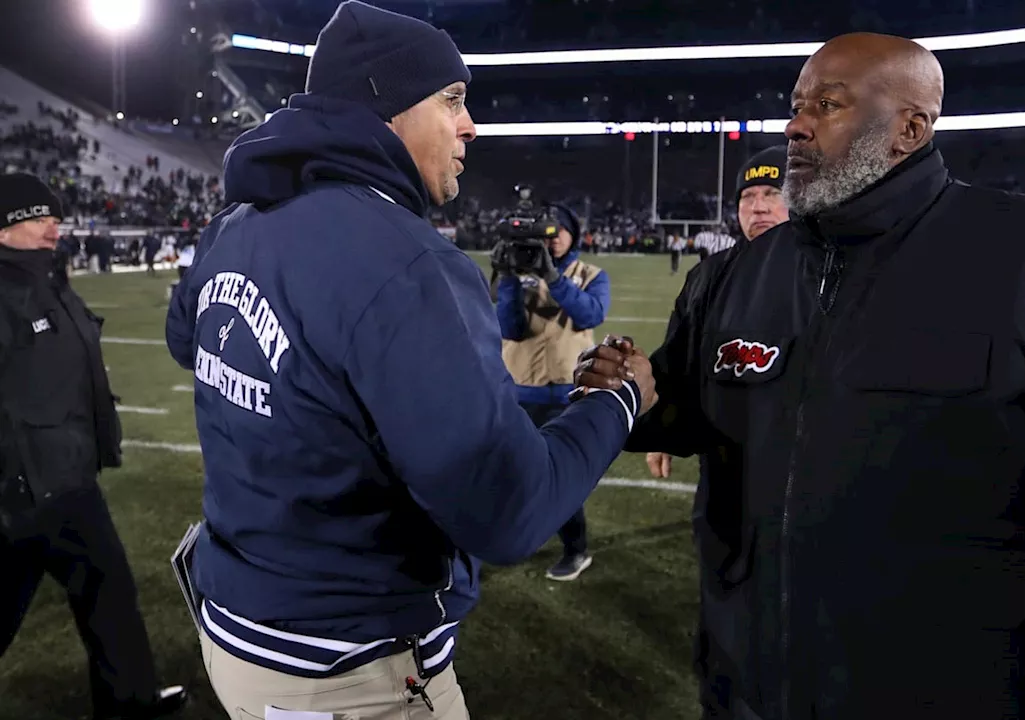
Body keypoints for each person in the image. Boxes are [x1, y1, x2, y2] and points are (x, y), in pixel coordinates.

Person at [576, 33, 1025, 719]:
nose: (795, 124)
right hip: (750, 691)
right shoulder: (740, 273)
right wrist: (630, 390)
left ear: (909, 127)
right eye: (797, 104)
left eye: (829, 104)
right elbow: (687, 408)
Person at [163, 3, 655, 718]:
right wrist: (615, 405)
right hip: (349, 667)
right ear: (385, 107)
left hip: (237, 628)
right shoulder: (405, 260)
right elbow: (508, 512)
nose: (470, 125)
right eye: (452, 100)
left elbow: (189, 340)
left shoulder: (233, 223)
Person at [0, 173, 186, 720]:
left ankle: (129, 700)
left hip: (60, 473)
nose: (52, 224)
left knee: (99, 587)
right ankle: (129, 702)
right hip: (30, 482)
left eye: (54, 215)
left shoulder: (47, 282)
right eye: (37, 216)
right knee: (105, 585)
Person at [645, 144, 789, 481]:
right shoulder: (706, 276)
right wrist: (660, 429)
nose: (758, 207)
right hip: (722, 462)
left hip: (800, 462)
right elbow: (677, 358)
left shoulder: (829, 270)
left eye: (773, 193)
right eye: (747, 196)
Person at [492, 205, 609, 581]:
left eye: (562, 230)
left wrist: (554, 278)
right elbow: (508, 328)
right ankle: (512, 537)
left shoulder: (590, 274)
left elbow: (590, 314)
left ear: (574, 234)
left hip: (564, 394)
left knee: (558, 479)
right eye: (549, 230)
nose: (555, 236)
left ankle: (576, 549)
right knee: (508, 473)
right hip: (519, 391)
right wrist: (509, 279)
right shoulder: (521, 274)